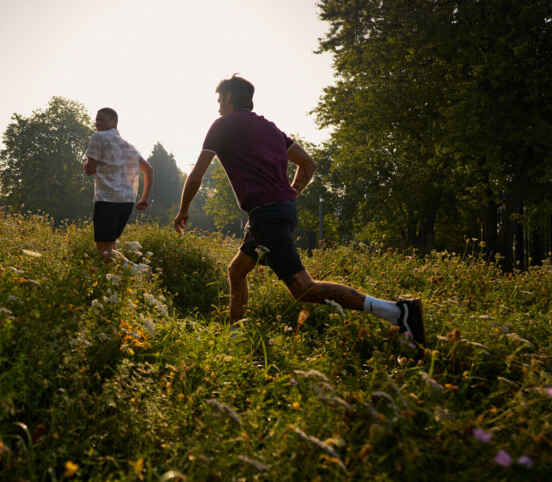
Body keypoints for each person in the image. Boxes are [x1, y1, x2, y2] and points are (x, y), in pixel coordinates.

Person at [173, 75, 425, 348]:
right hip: (274, 212)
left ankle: (399, 312)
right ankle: (234, 336)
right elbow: (309, 165)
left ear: (230, 98)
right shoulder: (270, 128)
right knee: (237, 271)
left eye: (220, 99)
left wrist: (183, 210)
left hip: (267, 215)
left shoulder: (221, 125)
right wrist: (288, 196)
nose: (219, 105)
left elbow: (196, 176)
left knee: (304, 288)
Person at [82, 107, 154, 261]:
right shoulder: (127, 146)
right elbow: (148, 169)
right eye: (97, 119)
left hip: (107, 200)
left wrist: (84, 162)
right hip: (126, 202)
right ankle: (119, 280)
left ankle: (137, 271)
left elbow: (89, 170)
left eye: (102, 119)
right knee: (111, 246)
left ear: (115, 122)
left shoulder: (98, 137)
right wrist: (145, 198)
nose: (98, 123)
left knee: (104, 250)